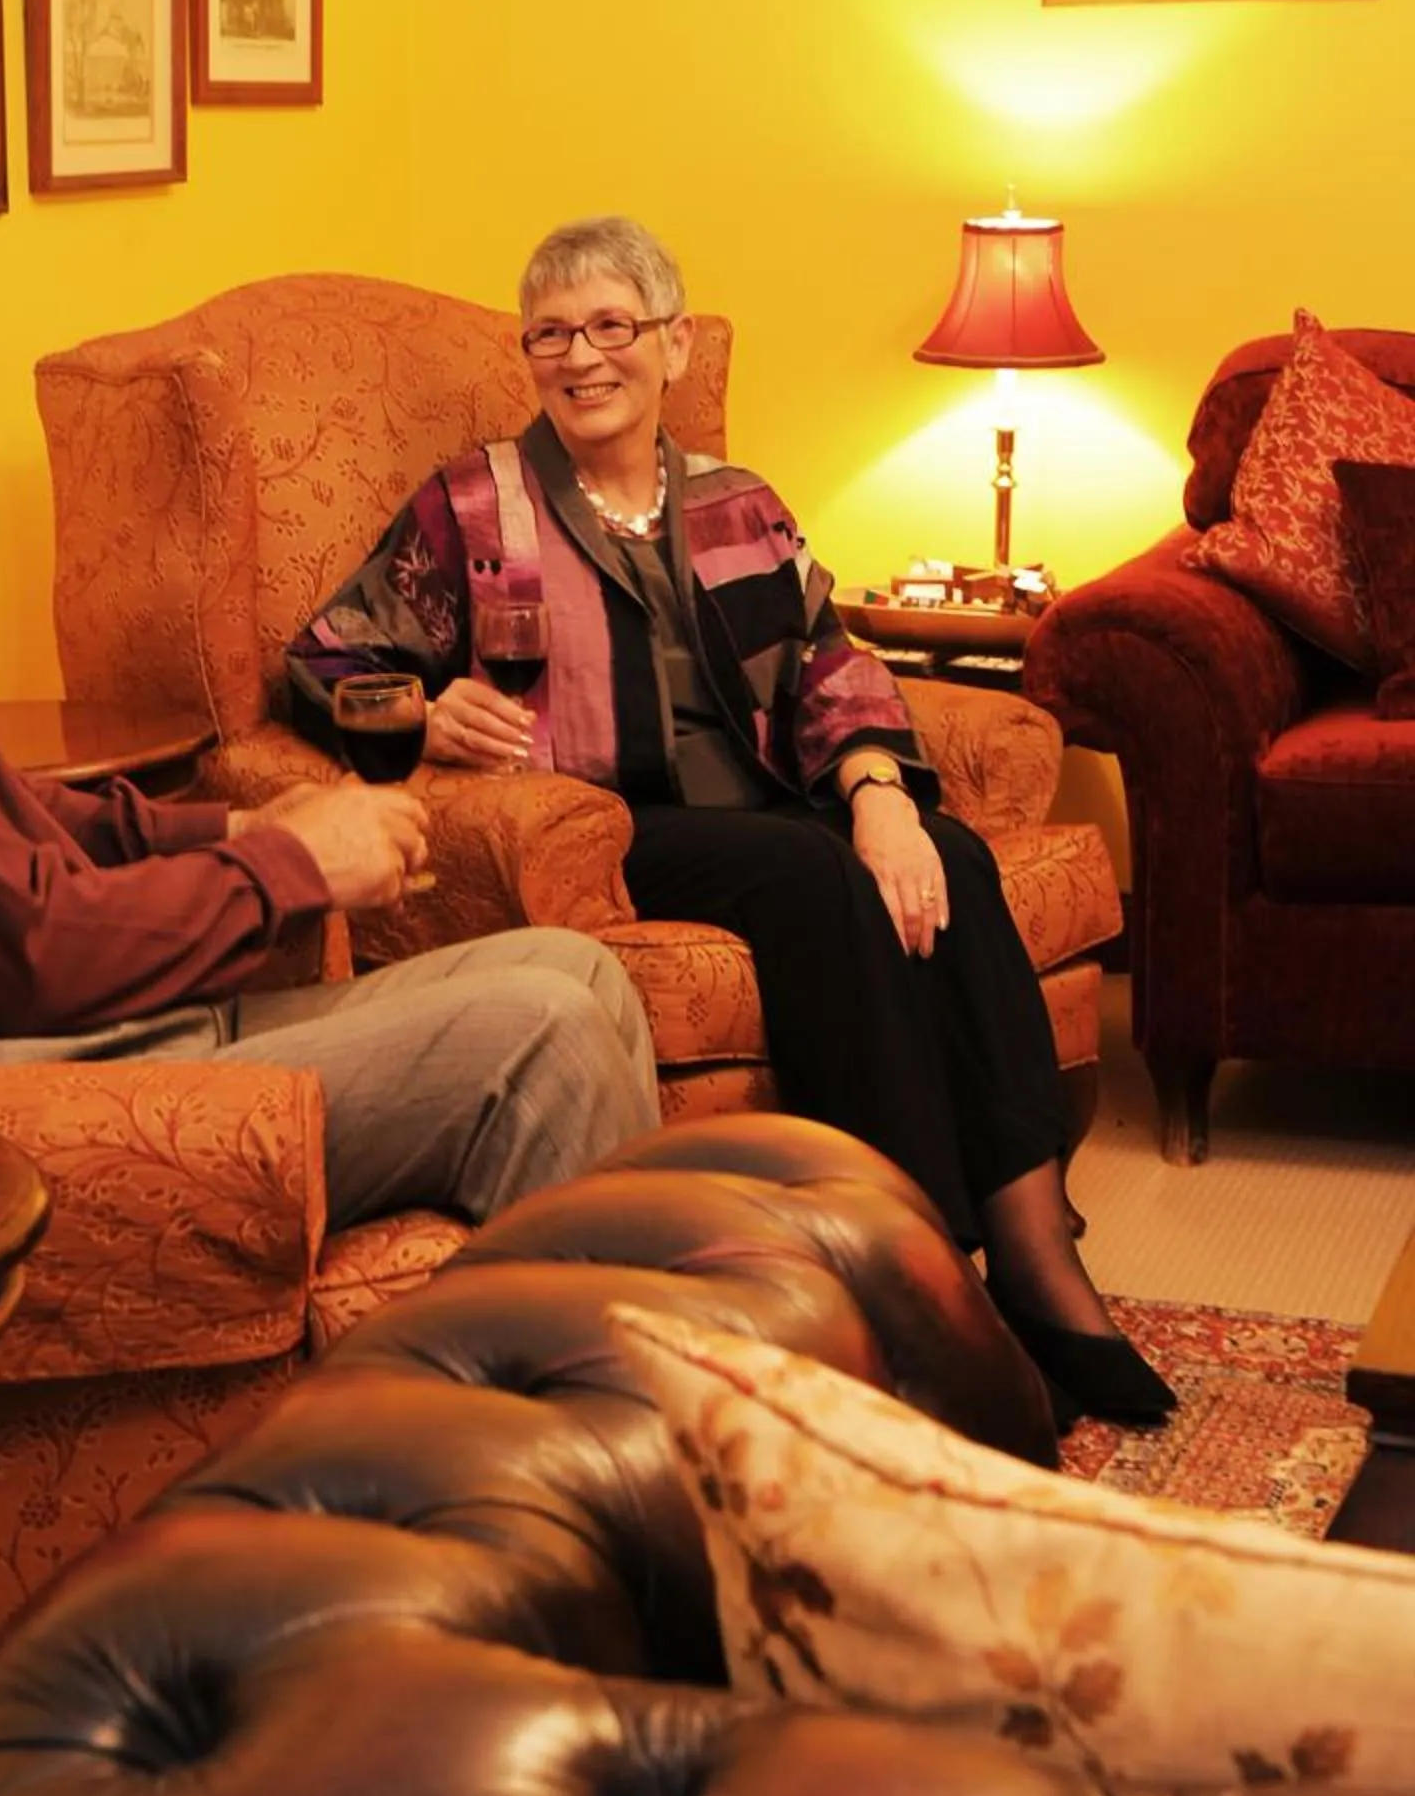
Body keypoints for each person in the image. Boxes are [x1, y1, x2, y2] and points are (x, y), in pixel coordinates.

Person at [0, 159, 660, 1235]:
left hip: (64, 1035)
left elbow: (0, 812)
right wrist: (290, 868)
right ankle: (631, 1387)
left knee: (579, 972)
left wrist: (232, 826)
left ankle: (576, 1373)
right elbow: (21, 952)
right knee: (540, 1034)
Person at [288, 214, 1173, 1428]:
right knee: (806, 882)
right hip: (603, 823)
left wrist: (877, 798)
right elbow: (329, 656)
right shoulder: (470, 505)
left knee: (950, 857)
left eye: (611, 326)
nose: (580, 357)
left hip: (766, 799)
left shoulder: (732, 502)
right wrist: (427, 711)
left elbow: (822, 656)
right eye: (551, 333)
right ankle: (916, 1290)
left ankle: (1036, 1265)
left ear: (673, 348)